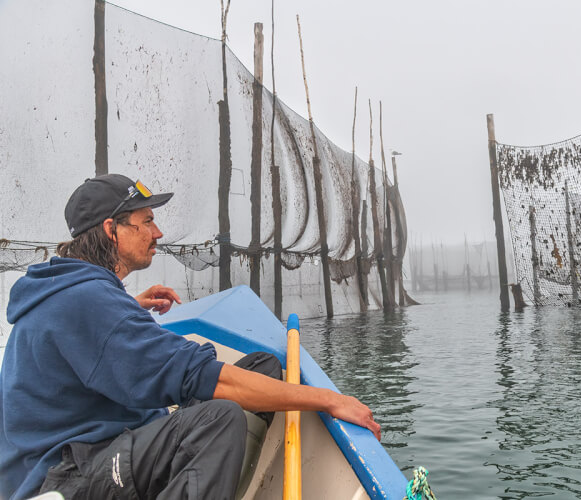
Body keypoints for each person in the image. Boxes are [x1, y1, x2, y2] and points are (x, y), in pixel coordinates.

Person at [0, 174, 380, 500]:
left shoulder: (71, 293)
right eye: (146, 221)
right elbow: (203, 377)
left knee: (263, 367)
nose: (158, 232)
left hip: (97, 447)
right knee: (218, 419)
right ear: (110, 229)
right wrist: (329, 400)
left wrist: (131, 305)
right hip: (65, 476)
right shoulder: (89, 302)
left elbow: (93, 331)